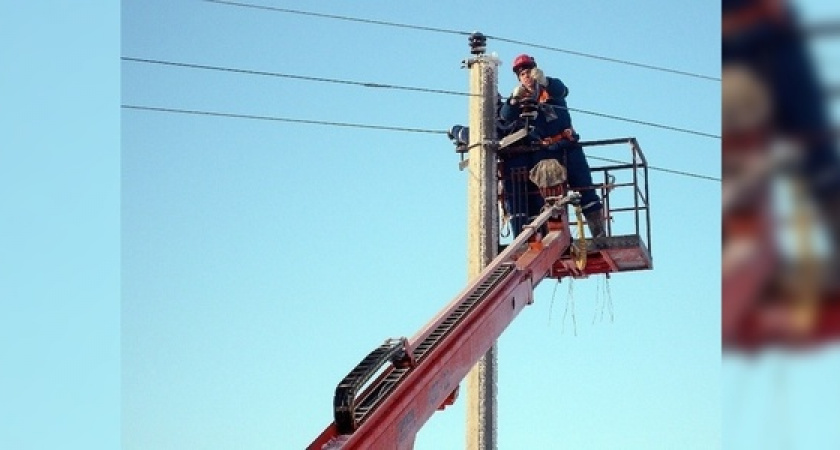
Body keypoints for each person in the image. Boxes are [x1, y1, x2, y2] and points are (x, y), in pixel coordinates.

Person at [498, 53, 605, 238]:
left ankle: (599, 233)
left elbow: (562, 90)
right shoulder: (520, 100)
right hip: (542, 153)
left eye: (528, 70)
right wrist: (513, 101)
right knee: (546, 197)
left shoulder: (551, 90)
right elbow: (506, 116)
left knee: (585, 189)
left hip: (567, 147)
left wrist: (546, 81)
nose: (526, 75)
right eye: (521, 72)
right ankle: (553, 234)